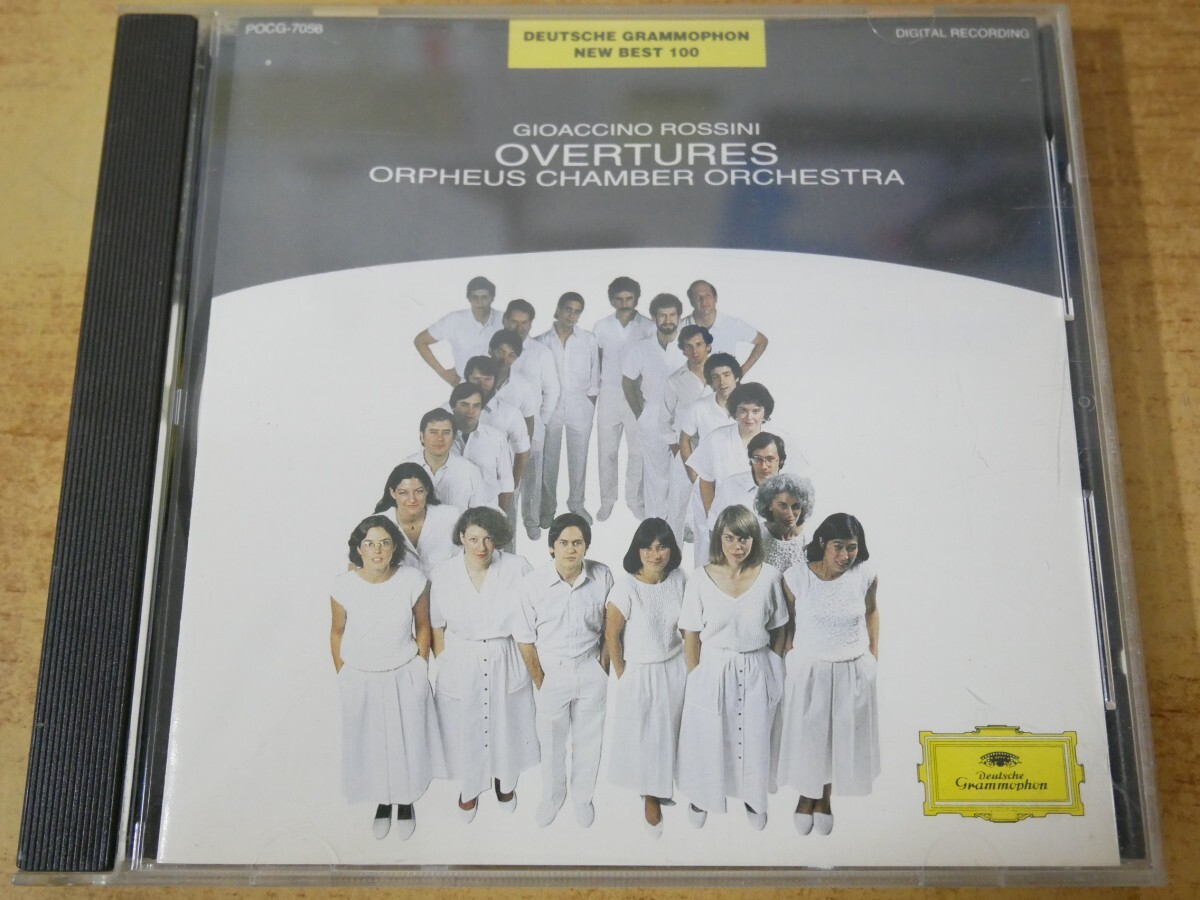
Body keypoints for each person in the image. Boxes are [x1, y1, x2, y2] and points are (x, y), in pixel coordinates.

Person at [329, 515, 444, 840]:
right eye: (369, 544)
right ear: (359, 549)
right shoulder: (343, 586)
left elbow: (423, 626)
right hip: (362, 678)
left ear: (394, 547)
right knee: (373, 745)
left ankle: (405, 802)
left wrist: (420, 667)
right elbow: (337, 631)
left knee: (406, 741)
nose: (377, 550)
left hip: (404, 674)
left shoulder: (412, 580)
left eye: (384, 543)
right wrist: (343, 674)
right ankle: (383, 802)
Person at [676, 505, 789, 831]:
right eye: (730, 538)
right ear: (719, 539)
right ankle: (702, 798)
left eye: (744, 539)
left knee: (755, 736)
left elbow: (780, 629)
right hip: (713, 668)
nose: (737, 547)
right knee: (708, 735)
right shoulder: (700, 578)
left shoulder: (770, 577)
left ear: (754, 540)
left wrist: (774, 665)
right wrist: (697, 674)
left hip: (757, 667)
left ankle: (754, 799)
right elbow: (691, 633)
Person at [429, 507, 539, 821]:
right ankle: (470, 788)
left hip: (506, 655)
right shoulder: (443, 573)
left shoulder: (517, 567)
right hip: (462, 659)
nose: (481, 547)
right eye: (474, 538)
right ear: (461, 538)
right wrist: (444, 660)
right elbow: (436, 624)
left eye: (489, 539)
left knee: (508, 724)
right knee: (466, 728)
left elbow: (537, 610)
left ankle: (506, 783)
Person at [778, 514, 880, 836]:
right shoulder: (796, 578)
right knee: (810, 737)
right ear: (823, 542)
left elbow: (871, 611)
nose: (845, 556)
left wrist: (873, 657)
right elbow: (787, 622)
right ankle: (806, 795)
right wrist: (790, 655)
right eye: (838, 547)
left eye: (852, 548)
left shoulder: (865, 575)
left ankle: (824, 797)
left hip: (851, 670)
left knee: (838, 736)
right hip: (810, 670)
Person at [515, 513, 613, 828]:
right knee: (551, 741)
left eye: (577, 543)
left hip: (590, 668)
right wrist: (540, 680)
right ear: (551, 547)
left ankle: (583, 798)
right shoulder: (532, 584)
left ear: (586, 546)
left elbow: (610, 629)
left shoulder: (602, 576)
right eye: (564, 543)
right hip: (550, 671)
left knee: (589, 740)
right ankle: (552, 797)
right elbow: (524, 637)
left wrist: (603, 668)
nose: (571, 549)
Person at [605, 518, 687, 838]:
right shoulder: (626, 587)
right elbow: (612, 635)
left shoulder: (679, 579)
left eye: (662, 547)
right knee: (648, 739)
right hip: (641, 671)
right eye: (648, 548)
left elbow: (688, 626)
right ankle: (650, 797)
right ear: (637, 550)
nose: (655, 555)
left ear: (671, 549)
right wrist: (623, 673)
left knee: (674, 732)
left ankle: (668, 786)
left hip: (675, 666)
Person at [685, 382, 777, 563]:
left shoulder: (778, 440)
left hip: (765, 523)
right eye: (743, 410)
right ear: (735, 411)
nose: (749, 417)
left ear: (765, 412)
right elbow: (706, 481)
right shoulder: (717, 439)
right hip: (725, 521)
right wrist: (715, 519)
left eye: (756, 411)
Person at [593, 276, 656, 522]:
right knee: (606, 451)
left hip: (637, 396)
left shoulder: (648, 327)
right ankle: (607, 501)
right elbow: (596, 361)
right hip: (608, 396)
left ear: (637, 299)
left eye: (629, 298)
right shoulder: (602, 326)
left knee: (637, 451)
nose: (624, 303)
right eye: (619, 299)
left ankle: (635, 500)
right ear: (612, 300)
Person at [622, 293, 686, 529]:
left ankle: (683, 524)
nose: (667, 320)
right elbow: (628, 381)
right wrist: (640, 413)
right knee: (656, 475)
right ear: (654, 318)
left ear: (679, 317)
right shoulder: (642, 348)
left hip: (684, 418)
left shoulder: (688, 346)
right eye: (662, 315)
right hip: (652, 416)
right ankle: (656, 524)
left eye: (672, 315)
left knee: (684, 472)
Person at [536, 292, 600, 525]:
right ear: (559, 309)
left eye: (577, 311)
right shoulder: (541, 341)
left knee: (579, 458)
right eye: (568, 309)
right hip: (550, 408)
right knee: (548, 460)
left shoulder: (588, 340)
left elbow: (595, 374)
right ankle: (547, 508)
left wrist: (590, 404)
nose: (571, 315)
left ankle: (577, 504)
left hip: (580, 407)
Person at [504, 299, 561, 540]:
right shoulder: (494, 348)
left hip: (533, 423)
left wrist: (541, 421)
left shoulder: (540, 352)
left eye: (524, 322)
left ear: (531, 323)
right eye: (514, 322)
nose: (519, 327)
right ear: (505, 321)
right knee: (507, 478)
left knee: (533, 475)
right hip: (503, 427)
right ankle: (507, 528)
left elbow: (552, 390)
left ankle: (531, 520)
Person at [661, 325, 714, 542]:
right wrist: (677, 450)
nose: (695, 350)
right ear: (683, 350)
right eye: (689, 346)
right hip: (686, 448)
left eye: (699, 344)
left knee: (713, 505)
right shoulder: (675, 381)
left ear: (708, 346)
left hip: (714, 448)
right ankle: (674, 555)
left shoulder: (721, 377)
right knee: (677, 505)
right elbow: (664, 419)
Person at [373, 462, 462, 577]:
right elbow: (359, 566)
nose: (412, 500)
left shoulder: (452, 516)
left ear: (427, 490)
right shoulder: (375, 524)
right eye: (403, 493)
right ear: (392, 493)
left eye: (418, 491)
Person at [464, 355, 530, 505]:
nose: (481, 384)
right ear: (467, 378)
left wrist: (512, 485)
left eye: (487, 379)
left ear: (495, 381)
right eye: (476, 378)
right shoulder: (449, 410)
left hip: (494, 496)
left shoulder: (510, 413)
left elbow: (522, 451)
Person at [413, 275, 504, 384]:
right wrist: (444, 373)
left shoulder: (505, 320)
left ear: (492, 298)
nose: (479, 302)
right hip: (465, 386)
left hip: (498, 386)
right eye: (475, 297)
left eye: (484, 297)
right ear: (469, 298)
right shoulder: (454, 320)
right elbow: (420, 340)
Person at [448, 382, 514, 512]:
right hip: (450, 513)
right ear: (453, 407)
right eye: (464, 405)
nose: (471, 411)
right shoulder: (440, 439)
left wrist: (500, 518)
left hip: (486, 513)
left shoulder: (496, 438)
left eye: (476, 406)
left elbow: (506, 482)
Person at [405, 408, 487, 510]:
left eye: (446, 432)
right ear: (422, 436)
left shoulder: (470, 471)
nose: (440, 438)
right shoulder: (405, 467)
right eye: (433, 432)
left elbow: (480, 515)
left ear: (453, 438)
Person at [681, 279, 768, 374]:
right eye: (698, 297)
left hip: (724, 383)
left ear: (715, 298)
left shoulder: (733, 324)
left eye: (708, 295)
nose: (704, 300)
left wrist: (740, 372)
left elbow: (762, 341)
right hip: (688, 382)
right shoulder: (679, 327)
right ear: (691, 302)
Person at [709, 431, 789, 532]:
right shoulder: (729, 486)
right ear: (750, 459)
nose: (763, 466)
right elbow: (713, 528)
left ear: (781, 460)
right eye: (757, 459)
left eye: (770, 459)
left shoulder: (792, 490)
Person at [755, 473, 816, 572]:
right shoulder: (757, 534)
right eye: (783, 506)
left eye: (796, 506)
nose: (790, 514)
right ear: (769, 505)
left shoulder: (811, 536)